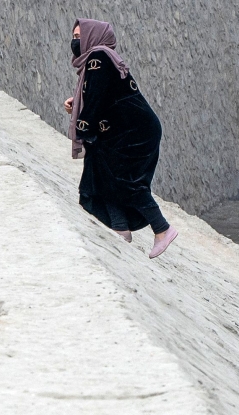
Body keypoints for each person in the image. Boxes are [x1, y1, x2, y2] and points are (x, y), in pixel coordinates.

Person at [65, 19, 178, 259]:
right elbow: (105, 94)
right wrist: (78, 106)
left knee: (126, 180)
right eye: (74, 37)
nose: (76, 41)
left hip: (133, 132)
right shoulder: (99, 60)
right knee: (100, 172)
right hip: (123, 130)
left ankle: (163, 229)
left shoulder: (98, 58)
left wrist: (82, 129)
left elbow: (95, 99)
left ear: (92, 37)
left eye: (79, 36)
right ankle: (120, 228)